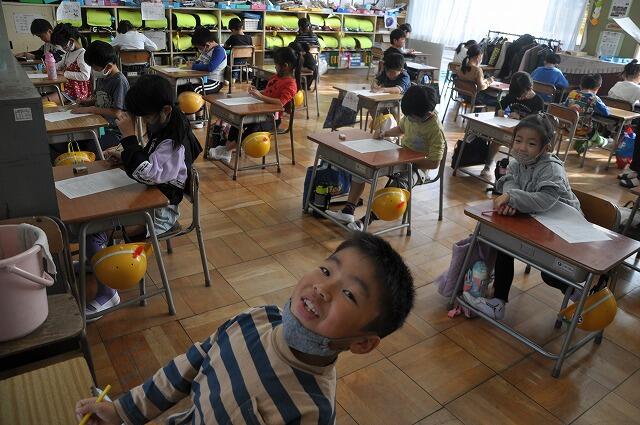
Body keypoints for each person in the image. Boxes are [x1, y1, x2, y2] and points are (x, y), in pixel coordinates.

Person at [74, 232, 415, 425]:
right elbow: (187, 365)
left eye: (350, 294)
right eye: (326, 271)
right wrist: (122, 411)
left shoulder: (311, 412)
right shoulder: (254, 319)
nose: (323, 288)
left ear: (363, 343)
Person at [81, 74, 202, 318]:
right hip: (148, 199)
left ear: (165, 110)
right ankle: (96, 261)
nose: (143, 123)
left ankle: (108, 293)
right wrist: (125, 155)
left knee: (93, 229)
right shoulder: (167, 124)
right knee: (93, 216)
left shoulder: (175, 141)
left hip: (160, 213)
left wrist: (129, 140)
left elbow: (148, 174)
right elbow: (152, 162)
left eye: (145, 118)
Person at [463, 114, 582, 320]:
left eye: (531, 143)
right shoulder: (516, 163)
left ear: (546, 148)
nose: (522, 148)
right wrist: (511, 202)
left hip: (563, 227)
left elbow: (545, 199)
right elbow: (510, 182)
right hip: (536, 220)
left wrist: (513, 198)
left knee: (549, 274)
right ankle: (498, 303)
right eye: (518, 140)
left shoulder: (552, 168)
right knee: (503, 245)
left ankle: (582, 295)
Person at [326, 86, 445, 230]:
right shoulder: (412, 115)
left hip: (419, 169)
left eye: (412, 117)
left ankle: (366, 220)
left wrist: (410, 159)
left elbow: (434, 163)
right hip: (401, 158)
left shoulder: (435, 130)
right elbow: (401, 128)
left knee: (398, 185)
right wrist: (385, 133)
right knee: (362, 169)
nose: (409, 119)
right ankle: (348, 211)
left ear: (427, 114)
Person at [209, 46, 299, 163]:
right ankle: (227, 150)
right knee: (238, 121)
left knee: (252, 128)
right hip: (260, 111)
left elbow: (281, 102)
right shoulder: (276, 77)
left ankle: (227, 149)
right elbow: (269, 92)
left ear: (286, 66)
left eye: (276, 64)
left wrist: (260, 96)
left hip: (271, 119)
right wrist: (257, 92)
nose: (275, 67)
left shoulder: (291, 84)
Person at [483, 72, 545, 176]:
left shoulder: (538, 102)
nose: (518, 98)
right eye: (516, 97)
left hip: (526, 136)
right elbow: (500, 105)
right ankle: (487, 165)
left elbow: (537, 122)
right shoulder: (513, 95)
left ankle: (518, 173)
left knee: (520, 150)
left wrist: (521, 118)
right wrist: (499, 111)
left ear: (529, 88)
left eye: (521, 96)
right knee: (496, 140)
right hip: (509, 130)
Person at [71, 41, 129, 150]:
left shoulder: (119, 81)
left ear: (108, 66)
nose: (94, 71)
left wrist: (91, 109)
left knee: (89, 147)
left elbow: (117, 112)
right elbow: (101, 99)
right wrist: (87, 102)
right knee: (76, 140)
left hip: (115, 131)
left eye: (95, 69)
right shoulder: (103, 77)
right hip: (99, 124)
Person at [180, 26, 226, 95]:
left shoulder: (219, 51)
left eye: (200, 48)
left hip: (214, 82)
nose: (200, 50)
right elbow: (200, 62)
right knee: (181, 87)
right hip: (203, 79)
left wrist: (193, 66)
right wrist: (194, 63)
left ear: (207, 44)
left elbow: (210, 67)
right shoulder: (206, 50)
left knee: (192, 90)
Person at [51, 23, 91, 101]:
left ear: (71, 41)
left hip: (76, 93)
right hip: (67, 88)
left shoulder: (82, 54)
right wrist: (52, 67)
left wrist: (64, 73)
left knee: (44, 101)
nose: (62, 48)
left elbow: (85, 76)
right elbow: (61, 64)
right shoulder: (69, 53)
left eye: (62, 45)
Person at [457, 43, 496, 107]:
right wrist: (489, 81)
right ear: (478, 56)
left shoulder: (461, 67)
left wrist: (485, 80)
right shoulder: (477, 70)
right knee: (498, 101)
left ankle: (474, 112)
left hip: (462, 96)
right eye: (482, 57)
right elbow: (481, 87)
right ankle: (476, 113)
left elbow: (472, 81)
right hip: (474, 98)